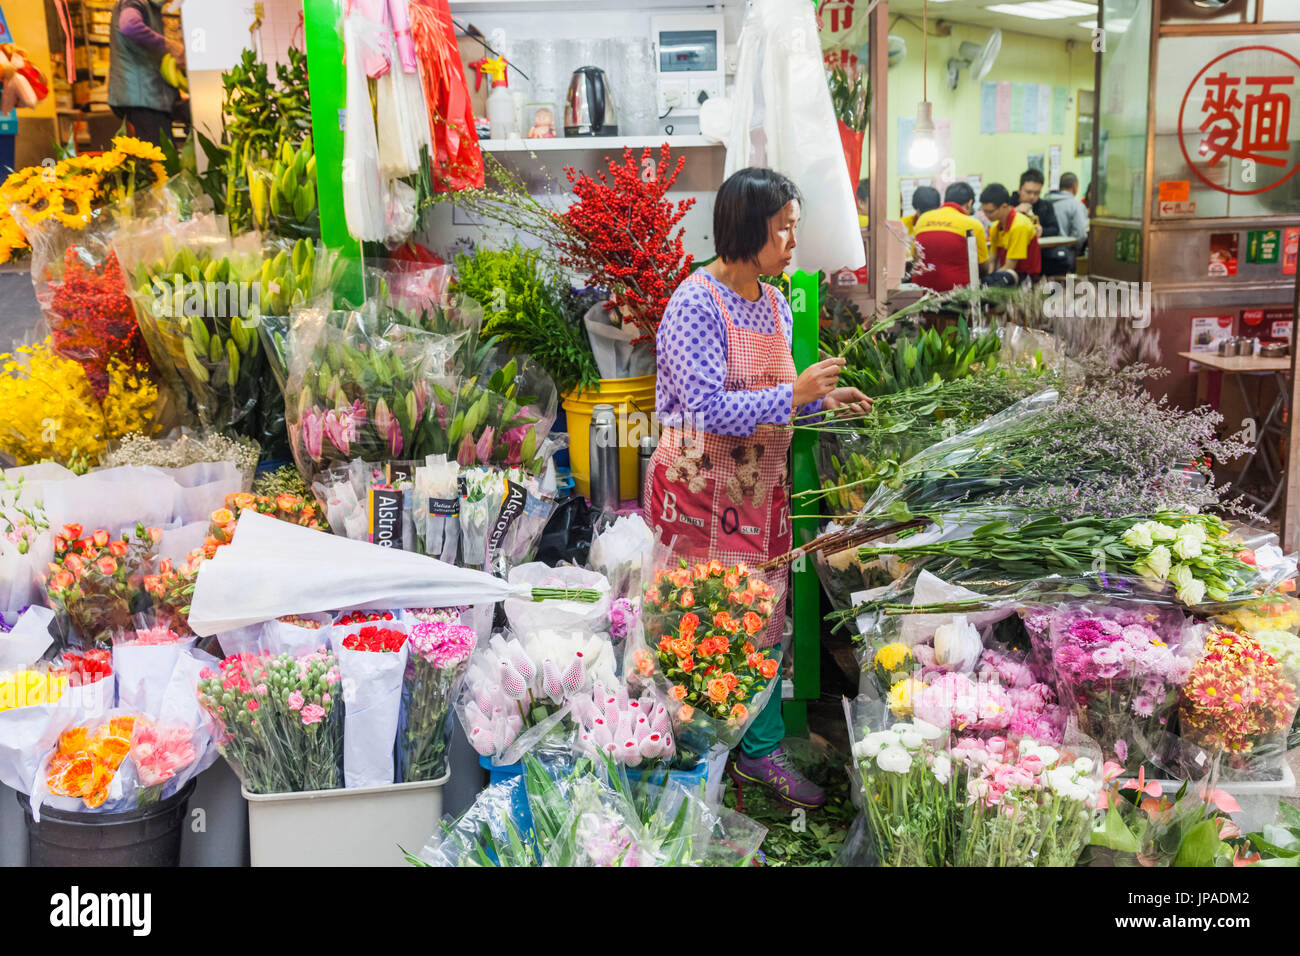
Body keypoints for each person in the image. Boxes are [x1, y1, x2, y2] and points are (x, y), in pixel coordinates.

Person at [646, 167, 871, 809]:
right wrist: (794, 393)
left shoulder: (773, 302)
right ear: (750, 229)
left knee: (764, 618)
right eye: (785, 229)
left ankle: (759, 752)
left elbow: (784, 403)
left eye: (795, 227)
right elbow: (706, 409)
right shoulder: (695, 302)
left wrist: (825, 404)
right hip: (700, 494)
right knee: (702, 620)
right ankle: (694, 756)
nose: (794, 241)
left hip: (756, 493)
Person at [108, 0, 183, 146]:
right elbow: (130, 26)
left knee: (160, 158)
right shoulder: (135, 2)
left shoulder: (151, 7)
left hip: (149, 98)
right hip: (145, 99)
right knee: (159, 160)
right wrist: (171, 46)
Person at [910, 181, 990, 293]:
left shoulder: (923, 219)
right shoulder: (973, 225)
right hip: (956, 296)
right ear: (969, 203)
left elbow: (915, 257)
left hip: (919, 294)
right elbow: (982, 267)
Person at [980, 182, 1041, 285]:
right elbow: (992, 260)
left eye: (990, 212)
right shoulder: (995, 227)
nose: (986, 215)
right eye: (984, 211)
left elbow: (1010, 266)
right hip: (1005, 273)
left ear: (1004, 206)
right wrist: (988, 278)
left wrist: (989, 281)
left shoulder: (1019, 226)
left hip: (1025, 277)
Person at [1047, 171, 1090, 255]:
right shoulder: (1076, 205)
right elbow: (1080, 234)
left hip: (1044, 253)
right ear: (1075, 186)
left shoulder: (1045, 201)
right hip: (1066, 255)